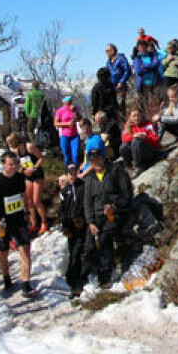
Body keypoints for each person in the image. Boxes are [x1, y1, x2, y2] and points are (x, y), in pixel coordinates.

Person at [82, 145, 134, 289]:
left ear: (103, 157)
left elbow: (127, 195)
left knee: (105, 240)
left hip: (116, 214)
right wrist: (90, 222)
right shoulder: (89, 178)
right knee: (88, 244)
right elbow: (87, 202)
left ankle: (105, 278)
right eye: (92, 160)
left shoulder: (116, 172)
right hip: (97, 216)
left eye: (98, 158)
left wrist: (114, 207)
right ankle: (85, 280)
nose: (96, 162)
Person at [0, 151, 35, 297]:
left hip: (19, 220)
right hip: (3, 222)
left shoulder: (20, 178)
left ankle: (26, 284)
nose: (14, 167)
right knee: (3, 252)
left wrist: (27, 213)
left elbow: (23, 195)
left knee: (25, 249)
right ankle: (6, 277)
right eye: (10, 164)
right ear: (3, 164)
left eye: (15, 164)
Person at [59, 163, 92, 297]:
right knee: (73, 252)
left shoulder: (83, 186)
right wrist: (65, 227)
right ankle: (72, 280)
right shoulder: (64, 191)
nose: (72, 175)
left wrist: (83, 219)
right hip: (70, 226)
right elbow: (63, 211)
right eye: (69, 173)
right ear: (66, 175)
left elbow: (87, 204)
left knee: (81, 250)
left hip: (83, 224)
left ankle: (80, 281)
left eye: (74, 172)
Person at [6, 133, 47, 233]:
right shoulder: (16, 151)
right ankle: (33, 223)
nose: (10, 147)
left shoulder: (29, 147)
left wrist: (33, 168)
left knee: (36, 200)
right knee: (28, 201)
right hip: (27, 175)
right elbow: (17, 164)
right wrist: (23, 170)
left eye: (11, 144)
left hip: (36, 174)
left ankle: (44, 222)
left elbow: (41, 158)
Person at [120, 110, 161, 174]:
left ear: (141, 116)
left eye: (138, 115)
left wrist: (145, 137)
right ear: (130, 117)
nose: (136, 117)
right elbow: (124, 139)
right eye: (134, 116)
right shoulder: (128, 126)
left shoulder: (148, 124)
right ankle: (128, 166)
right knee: (124, 146)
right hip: (138, 153)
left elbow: (156, 140)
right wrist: (134, 136)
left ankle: (138, 167)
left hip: (151, 151)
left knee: (136, 141)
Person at [54, 95, 81, 168]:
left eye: (71, 101)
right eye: (68, 102)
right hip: (65, 136)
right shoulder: (60, 111)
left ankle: (76, 170)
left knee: (75, 155)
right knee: (66, 155)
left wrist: (75, 112)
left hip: (74, 135)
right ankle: (67, 171)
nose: (70, 103)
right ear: (64, 102)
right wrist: (67, 124)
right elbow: (56, 123)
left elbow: (79, 118)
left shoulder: (74, 109)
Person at [105, 44, 132, 115]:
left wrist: (121, 81)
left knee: (121, 105)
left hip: (121, 87)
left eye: (107, 51)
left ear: (113, 51)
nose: (106, 52)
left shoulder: (121, 59)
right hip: (112, 88)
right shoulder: (108, 62)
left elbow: (127, 70)